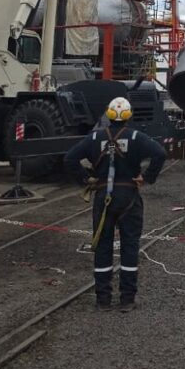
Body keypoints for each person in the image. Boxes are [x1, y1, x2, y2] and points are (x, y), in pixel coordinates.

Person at [64, 95, 166, 312]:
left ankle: (103, 299)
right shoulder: (136, 137)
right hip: (129, 197)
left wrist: (85, 179)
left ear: (108, 115)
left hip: (104, 197)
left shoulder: (94, 138)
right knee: (130, 246)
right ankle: (127, 299)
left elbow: (70, 158)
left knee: (103, 246)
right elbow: (160, 153)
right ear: (129, 116)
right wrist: (147, 177)